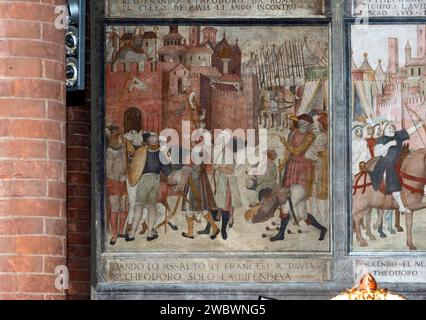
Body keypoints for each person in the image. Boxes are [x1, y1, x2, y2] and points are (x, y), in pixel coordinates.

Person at [272, 113, 327, 242]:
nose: (302, 126)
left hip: (304, 169)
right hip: (292, 167)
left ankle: (281, 234)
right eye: (301, 123)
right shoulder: (294, 133)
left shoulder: (310, 136)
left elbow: (297, 151)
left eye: (305, 125)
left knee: (288, 205)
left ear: (309, 126)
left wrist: (285, 143)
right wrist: (283, 164)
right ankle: (322, 228)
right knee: (302, 214)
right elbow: (289, 153)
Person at [125, 133, 173, 241]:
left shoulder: (142, 151)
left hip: (144, 180)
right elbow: (167, 171)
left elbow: (136, 166)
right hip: (155, 181)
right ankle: (150, 233)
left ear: (148, 143)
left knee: (139, 206)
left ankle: (132, 233)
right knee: (152, 206)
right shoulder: (161, 153)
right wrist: (167, 158)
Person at [370, 120, 424, 214]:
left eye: (392, 127)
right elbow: (376, 153)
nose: (391, 129)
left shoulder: (397, 135)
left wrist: (419, 125)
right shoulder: (382, 139)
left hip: (398, 161)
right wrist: (388, 144)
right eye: (389, 127)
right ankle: (401, 206)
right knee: (392, 176)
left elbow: (409, 131)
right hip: (386, 163)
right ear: (385, 129)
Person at [106, 125, 127, 245]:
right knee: (115, 209)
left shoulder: (123, 148)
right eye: (119, 137)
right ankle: (114, 235)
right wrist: (118, 177)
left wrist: (125, 176)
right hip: (114, 183)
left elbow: (126, 165)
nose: (121, 139)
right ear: (114, 138)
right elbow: (109, 170)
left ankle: (121, 231)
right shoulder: (110, 151)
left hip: (123, 182)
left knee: (124, 208)